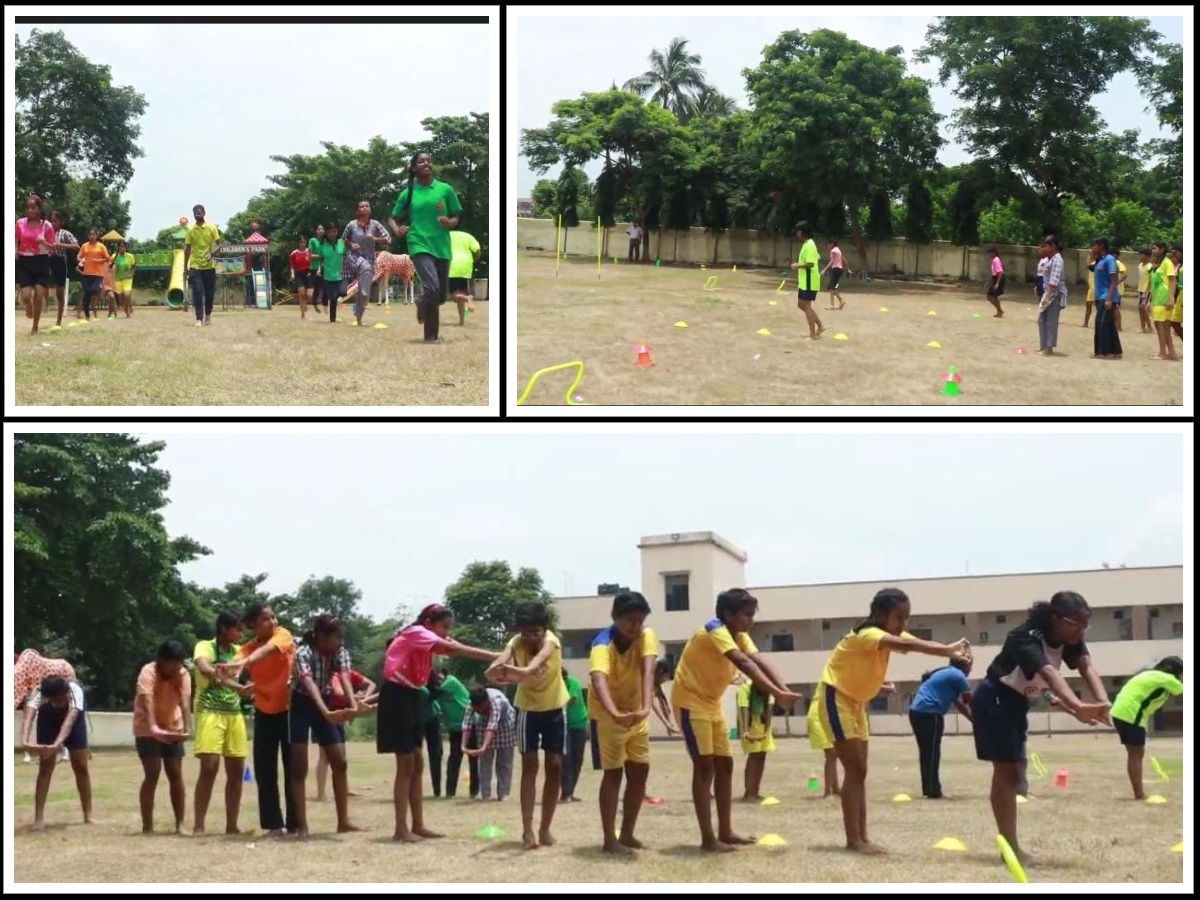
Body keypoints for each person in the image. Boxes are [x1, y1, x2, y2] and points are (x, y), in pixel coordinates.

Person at [815, 588, 971, 855]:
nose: (904, 624)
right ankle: (854, 840)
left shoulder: (887, 636)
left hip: (855, 703)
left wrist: (948, 652)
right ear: (879, 614)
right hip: (836, 698)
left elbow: (914, 643)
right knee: (855, 770)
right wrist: (947, 649)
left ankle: (862, 836)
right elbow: (908, 645)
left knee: (860, 771)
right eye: (899, 618)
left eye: (907, 618)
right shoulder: (868, 634)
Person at [972, 591, 1111, 866]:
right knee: (1007, 770)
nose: (1081, 631)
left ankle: (1009, 844)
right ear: (1056, 618)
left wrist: (1102, 701)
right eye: (1077, 624)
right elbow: (1048, 672)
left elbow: (1086, 667)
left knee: (1015, 768)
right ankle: (1009, 848)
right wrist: (1077, 705)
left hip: (1017, 701)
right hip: (995, 698)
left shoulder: (1070, 638)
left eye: (1086, 625)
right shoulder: (1024, 637)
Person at [671, 588, 799, 853]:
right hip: (690, 702)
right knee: (704, 766)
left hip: (711, 703)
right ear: (728, 614)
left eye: (753, 614)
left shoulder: (740, 635)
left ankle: (726, 831)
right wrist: (776, 693)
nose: (751, 620)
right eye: (746, 615)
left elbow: (758, 660)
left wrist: (783, 689)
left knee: (725, 764)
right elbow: (742, 662)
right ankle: (708, 838)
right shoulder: (714, 628)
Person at [378, 603, 497, 842]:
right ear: (430, 624)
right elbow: (455, 649)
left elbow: (450, 649)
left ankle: (418, 824)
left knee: (418, 761)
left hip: (412, 696)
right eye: (444, 627)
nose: (446, 632)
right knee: (406, 763)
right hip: (397, 696)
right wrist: (495, 656)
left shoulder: (425, 638)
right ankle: (400, 829)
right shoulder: (417, 633)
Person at [486, 601, 569, 851]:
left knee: (554, 766)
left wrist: (509, 671)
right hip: (528, 711)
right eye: (526, 632)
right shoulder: (516, 643)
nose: (532, 637)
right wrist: (495, 668)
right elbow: (498, 663)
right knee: (530, 767)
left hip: (554, 707)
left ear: (545, 629)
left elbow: (533, 667)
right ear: (520, 631)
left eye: (537, 631)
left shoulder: (551, 641)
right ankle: (527, 830)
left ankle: (545, 828)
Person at [587, 591, 657, 854]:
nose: (635, 627)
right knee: (613, 774)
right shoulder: (601, 645)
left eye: (640, 621)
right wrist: (615, 713)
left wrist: (647, 706)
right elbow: (598, 680)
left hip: (636, 712)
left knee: (640, 772)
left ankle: (627, 833)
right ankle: (609, 839)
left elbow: (648, 668)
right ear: (615, 617)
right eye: (630, 620)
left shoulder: (646, 635)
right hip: (608, 715)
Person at [222, 603, 297, 836]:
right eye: (266, 619)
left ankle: (295, 823)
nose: (273, 622)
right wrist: (238, 686)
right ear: (253, 625)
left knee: (293, 768)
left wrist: (243, 663)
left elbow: (269, 651)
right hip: (264, 711)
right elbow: (225, 674)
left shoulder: (282, 636)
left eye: (273, 617)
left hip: (289, 710)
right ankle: (274, 824)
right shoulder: (246, 649)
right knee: (265, 771)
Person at [288, 614, 360, 838]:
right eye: (336, 637)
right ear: (321, 636)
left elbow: (345, 677)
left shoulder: (340, 652)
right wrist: (326, 712)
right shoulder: (303, 654)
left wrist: (353, 705)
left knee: (340, 762)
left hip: (324, 703)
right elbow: (308, 683)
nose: (340, 642)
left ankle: (343, 822)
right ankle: (303, 826)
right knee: (299, 768)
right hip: (302, 705)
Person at [389, 151, 463, 344]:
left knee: (439, 296)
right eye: (421, 161)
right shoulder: (409, 192)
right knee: (431, 287)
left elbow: (456, 216)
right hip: (418, 242)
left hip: (442, 245)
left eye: (429, 161)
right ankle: (430, 337)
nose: (426, 163)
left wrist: (450, 222)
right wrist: (397, 230)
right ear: (414, 168)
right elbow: (393, 217)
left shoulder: (445, 189)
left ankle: (422, 304)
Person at [191, 611, 255, 835]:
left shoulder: (240, 652)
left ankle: (232, 825)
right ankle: (199, 825)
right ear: (223, 629)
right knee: (209, 768)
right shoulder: (205, 646)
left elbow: (251, 672)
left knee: (237, 770)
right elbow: (206, 669)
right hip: (210, 711)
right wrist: (238, 687)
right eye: (237, 628)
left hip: (233, 712)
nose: (241, 633)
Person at [21, 676, 95, 831]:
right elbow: (28, 717)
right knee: (45, 768)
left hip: (74, 723)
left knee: (81, 767)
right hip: (48, 721)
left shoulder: (75, 691)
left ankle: (88, 814)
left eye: (62, 699)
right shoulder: (38, 693)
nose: (60, 703)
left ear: (66, 692)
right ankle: (39, 818)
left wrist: (56, 745)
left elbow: (69, 722)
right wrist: (25, 741)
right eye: (56, 701)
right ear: (47, 698)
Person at [133, 640, 192, 834]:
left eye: (178, 664)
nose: (175, 668)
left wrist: (187, 728)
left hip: (172, 725)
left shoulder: (183, 674)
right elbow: (147, 698)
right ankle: (147, 825)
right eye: (171, 664)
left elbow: (185, 701)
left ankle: (180, 824)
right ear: (161, 661)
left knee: (175, 772)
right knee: (152, 773)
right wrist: (153, 727)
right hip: (146, 727)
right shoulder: (148, 672)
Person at [1110, 656, 1183, 800]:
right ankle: (1139, 794)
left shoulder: (1148, 674)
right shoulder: (1166, 679)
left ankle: (1138, 792)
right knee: (1136, 753)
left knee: (1135, 752)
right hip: (1131, 713)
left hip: (1120, 711)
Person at [908, 658, 973, 799]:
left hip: (917, 712)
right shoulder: (958, 675)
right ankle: (933, 790)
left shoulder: (947, 673)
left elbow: (959, 703)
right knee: (932, 753)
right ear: (964, 666)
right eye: (970, 665)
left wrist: (972, 720)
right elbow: (970, 700)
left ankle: (930, 788)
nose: (971, 669)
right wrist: (983, 720)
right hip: (930, 713)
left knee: (927, 753)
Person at [316, 667, 377, 803]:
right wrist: (354, 698)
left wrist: (364, 698)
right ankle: (321, 793)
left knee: (341, 755)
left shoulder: (350, 673)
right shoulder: (334, 675)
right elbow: (338, 692)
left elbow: (371, 684)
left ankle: (345, 789)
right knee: (325, 756)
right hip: (329, 713)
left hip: (342, 714)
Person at [428, 667, 476, 799]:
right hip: (455, 727)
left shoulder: (451, 682)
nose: (437, 680)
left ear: (442, 674)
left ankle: (474, 791)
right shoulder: (437, 690)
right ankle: (450, 791)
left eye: (438, 677)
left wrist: (427, 686)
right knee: (454, 759)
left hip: (471, 724)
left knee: (473, 759)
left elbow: (434, 692)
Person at [342, 201, 392, 326]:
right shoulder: (351, 225)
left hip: (369, 258)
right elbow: (343, 240)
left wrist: (376, 239)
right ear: (357, 211)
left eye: (367, 206)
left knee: (364, 291)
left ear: (370, 209)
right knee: (365, 269)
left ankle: (359, 316)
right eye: (361, 206)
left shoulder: (375, 225)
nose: (364, 208)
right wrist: (351, 244)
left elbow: (388, 239)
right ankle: (363, 292)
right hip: (354, 256)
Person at [463, 687, 516, 802]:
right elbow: (467, 723)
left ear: (486, 702)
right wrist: (463, 746)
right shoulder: (471, 704)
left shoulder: (495, 702)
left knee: (505, 763)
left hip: (505, 722)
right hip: (483, 723)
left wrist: (483, 747)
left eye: (481, 709)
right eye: (476, 709)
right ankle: (485, 794)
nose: (478, 711)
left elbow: (492, 725)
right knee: (484, 763)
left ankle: (503, 793)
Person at [15, 193, 57, 334]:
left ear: (39, 209)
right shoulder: (20, 223)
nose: (30, 210)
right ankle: (28, 305)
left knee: (39, 295)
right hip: (25, 261)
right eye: (28, 208)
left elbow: (54, 247)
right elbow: (15, 239)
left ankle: (35, 326)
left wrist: (44, 242)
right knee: (26, 296)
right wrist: (15, 250)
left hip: (41, 261)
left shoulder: (47, 226)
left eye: (33, 208)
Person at [736, 679, 774, 802]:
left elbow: (769, 709)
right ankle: (748, 793)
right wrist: (746, 732)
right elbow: (744, 710)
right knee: (753, 756)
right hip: (750, 723)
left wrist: (766, 731)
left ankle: (755, 791)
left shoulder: (769, 688)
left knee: (762, 755)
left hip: (763, 723)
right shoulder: (744, 689)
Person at [183, 204, 221, 327]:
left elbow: (219, 245)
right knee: (198, 292)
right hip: (195, 266)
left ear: (204, 213)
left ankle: (208, 315)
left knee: (209, 294)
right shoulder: (191, 230)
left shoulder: (212, 228)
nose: (197, 216)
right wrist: (185, 268)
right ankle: (199, 318)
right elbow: (187, 249)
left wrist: (212, 253)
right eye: (195, 214)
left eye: (199, 213)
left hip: (209, 267)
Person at [789, 221, 824, 340]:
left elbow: (810, 263)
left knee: (806, 306)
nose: (797, 234)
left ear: (803, 232)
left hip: (810, 280)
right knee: (801, 305)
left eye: (798, 231)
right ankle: (820, 326)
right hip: (805, 281)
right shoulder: (806, 244)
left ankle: (813, 335)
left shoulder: (809, 245)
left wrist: (796, 266)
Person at [560, 669, 589, 804]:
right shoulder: (554, 687)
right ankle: (566, 793)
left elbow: (572, 699)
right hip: (564, 727)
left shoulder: (573, 683)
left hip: (579, 725)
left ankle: (570, 792)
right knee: (566, 759)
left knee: (577, 759)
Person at [1091, 236, 1122, 359]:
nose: (1092, 248)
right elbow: (1089, 266)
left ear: (1101, 246)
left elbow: (1114, 280)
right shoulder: (1100, 260)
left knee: (1102, 323)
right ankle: (1114, 351)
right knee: (1108, 324)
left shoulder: (1109, 260)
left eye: (1094, 245)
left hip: (1107, 296)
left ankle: (1105, 352)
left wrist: (1109, 299)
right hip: (1100, 296)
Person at [806, 690, 841, 799]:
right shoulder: (834, 679)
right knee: (831, 754)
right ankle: (828, 791)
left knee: (834, 754)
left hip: (826, 715)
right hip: (819, 717)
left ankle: (835, 788)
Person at [47, 211, 79, 327]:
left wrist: (61, 244)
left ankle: (58, 321)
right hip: (47, 260)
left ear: (60, 222)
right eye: (51, 221)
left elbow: (76, 246)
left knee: (60, 292)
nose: (53, 223)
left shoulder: (64, 233)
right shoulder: (46, 233)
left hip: (60, 261)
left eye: (55, 221)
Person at [1037, 235, 1067, 356]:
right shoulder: (1050, 259)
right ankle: (1044, 346)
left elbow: (1054, 282)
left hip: (1054, 293)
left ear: (1053, 246)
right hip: (1049, 292)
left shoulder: (1057, 260)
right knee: (1041, 320)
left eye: (1046, 246)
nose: (1044, 248)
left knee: (1051, 321)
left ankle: (1049, 348)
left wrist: (1047, 297)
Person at [1148, 242, 1178, 361]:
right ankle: (1171, 352)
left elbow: (1172, 280)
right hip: (1157, 298)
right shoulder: (1156, 264)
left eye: (1154, 248)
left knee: (1161, 325)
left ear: (1162, 249)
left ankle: (1163, 352)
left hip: (1164, 298)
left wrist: (1170, 297)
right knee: (1163, 325)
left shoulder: (1167, 263)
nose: (1152, 250)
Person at [75, 228, 111, 323]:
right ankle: (87, 315)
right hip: (86, 274)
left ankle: (90, 311)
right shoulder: (84, 246)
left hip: (98, 274)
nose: (91, 236)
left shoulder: (101, 246)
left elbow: (108, 258)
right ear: (88, 236)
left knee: (94, 290)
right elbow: (78, 256)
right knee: (87, 292)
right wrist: (80, 260)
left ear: (96, 236)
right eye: (90, 235)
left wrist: (99, 261)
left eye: (93, 235)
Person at [448, 229, 481, 325]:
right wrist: (473, 261)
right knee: (460, 296)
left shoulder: (446, 235)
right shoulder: (467, 236)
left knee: (453, 296)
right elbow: (478, 251)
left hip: (451, 265)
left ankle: (468, 298)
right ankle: (462, 321)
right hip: (465, 266)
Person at [319, 222, 348, 323]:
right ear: (327, 233)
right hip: (329, 276)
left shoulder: (342, 243)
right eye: (330, 232)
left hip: (341, 275)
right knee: (333, 298)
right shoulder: (323, 245)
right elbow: (319, 258)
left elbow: (347, 254)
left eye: (334, 231)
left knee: (343, 293)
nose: (332, 234)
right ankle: (332, 319)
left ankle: (335, 299)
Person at [419, 684, 444, 797]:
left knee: (415, 755)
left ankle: (414, 789)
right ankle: (437, 789)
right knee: (435, 754)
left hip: (418, 720)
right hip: (430, 720)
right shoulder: (422, 690)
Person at [651, 659, 680, 736]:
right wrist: (667, 724)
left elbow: (663, 703)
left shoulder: (656, 680)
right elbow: (654, 704)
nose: (665, 680)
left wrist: (670, 723)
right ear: (660, 673)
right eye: (665, 677)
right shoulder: (649, 678)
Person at [821, 238, 851, 310]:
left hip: (835, 269)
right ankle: (835, 303)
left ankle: (840, 300)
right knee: (832, 287)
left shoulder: (833, 251)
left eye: (828, 244)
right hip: (839, 270)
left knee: (831, 287)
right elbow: (844, 259)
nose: (827, 246)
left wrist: (824, 270)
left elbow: (831, 261)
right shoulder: (838, 250)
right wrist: (847, 269)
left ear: (832, 244)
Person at [109, 240, 137, 319]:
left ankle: (128, 312)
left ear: (126, 247)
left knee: (127, 294)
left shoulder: (130, 256)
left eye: (123, 247)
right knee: (121, 299)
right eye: (120, 247)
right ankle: (126, 309)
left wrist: (131, 274)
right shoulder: (114, 256)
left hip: (127, 279)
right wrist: (112, 270)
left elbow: (134, 266)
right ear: (118, 247)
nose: (122, 248)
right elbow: (109, 266)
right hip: (117, 279)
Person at [290, 236, 314, 320]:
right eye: (301, 242)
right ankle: (303, 314)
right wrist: (292, 274)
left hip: (308, 273)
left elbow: (314, 262)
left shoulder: (309, 251)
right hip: (299, 274)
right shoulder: (294, 253)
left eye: (304, 242)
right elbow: (292, 266)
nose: (303, 244)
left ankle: (305, 305)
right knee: (301, 293)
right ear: (298, 243)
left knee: (309, 295)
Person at [307, 224, 326, 314]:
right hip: (314, 267)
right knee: (317, 287)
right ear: (316, 231)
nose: (321, 231)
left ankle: (324, 303)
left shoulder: (326, 241)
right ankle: (315, 303)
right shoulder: (312, 241)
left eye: (322, 229)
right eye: (319, 229)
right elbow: (310, 255)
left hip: (324, 267)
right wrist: (320, 256)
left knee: (325, 286)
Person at [1136, 248, 1154, 334]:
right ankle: (1142, 327)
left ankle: (1149, 327)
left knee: (1144, 308)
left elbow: (1151, 279)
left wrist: (1147, 291)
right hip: (1140, 289)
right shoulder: (1140, 265)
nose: (1140, 257)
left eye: (1142, 255)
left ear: (1148, 257)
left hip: (1147, 290)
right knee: (1140, 308)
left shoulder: (1150, 266)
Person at [985, 246, 1006, 317]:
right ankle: (999, 311)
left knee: (990, 296)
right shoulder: (994, 260)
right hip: (995, 278)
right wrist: (989, 281)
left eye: (990, 253)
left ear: (993, 252)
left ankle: (999, 310)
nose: (989, 255)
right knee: (993, 296)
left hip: (999, 279)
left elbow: (1000, 272)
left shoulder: (996, 260)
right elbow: (994, 273)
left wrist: (997, 283)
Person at [1169, 244, 1184, 341]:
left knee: (1174, 321)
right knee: (1174, 321)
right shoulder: (1180, 265)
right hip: (1180, 295)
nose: (1174, 255)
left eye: (1176, 252)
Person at [1082, 244, 1098, 328]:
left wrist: (1090, 255)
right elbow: (1087, 265)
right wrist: (1089, 255)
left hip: (1097, 288)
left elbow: (1088, 264)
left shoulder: (1098, 263)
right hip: (1091, 288)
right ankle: (1085, 323)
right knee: (1088, 305)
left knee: (1099, 308)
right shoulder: (1093, 263)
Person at [1113, 249, 1128, 332]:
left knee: (1115, 307)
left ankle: (1119, 326)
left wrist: (1116, 283)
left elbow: (1124, 275)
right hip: (1114, 288)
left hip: (1117, 289)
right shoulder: (1112, 263)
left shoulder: (1118, 263)